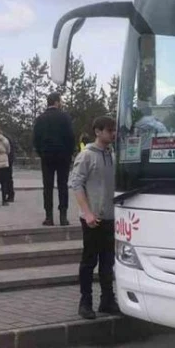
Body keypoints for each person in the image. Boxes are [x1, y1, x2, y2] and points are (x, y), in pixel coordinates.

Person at [69, 115, 119, 320]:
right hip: (92, 218)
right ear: (98, 131)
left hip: (110, 216)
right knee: (89, 261)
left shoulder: (112, 154)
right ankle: (85, 301)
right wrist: (87, 212)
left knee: (108, 262)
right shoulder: (87, 156)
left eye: (113, 130)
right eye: (108, 130)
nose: (113, 133)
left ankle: (107, 300)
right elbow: (76, 184)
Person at [33, 92, 76, 226]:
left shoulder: (40, 119)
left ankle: (49, 217)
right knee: (63, 186)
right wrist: (69, 153)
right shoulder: (65, 117)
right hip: (63, 156)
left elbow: (35, 139)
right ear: (57, 102)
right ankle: (63, 216)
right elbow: (71, 137)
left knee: (48, 186)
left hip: (47, 156)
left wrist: (42, 153)